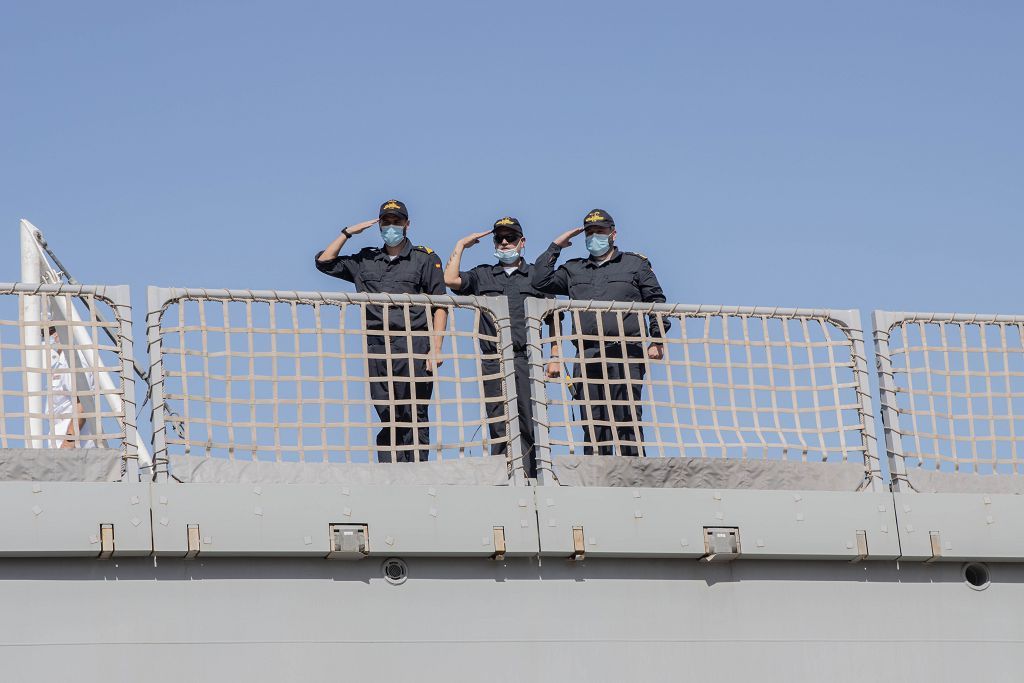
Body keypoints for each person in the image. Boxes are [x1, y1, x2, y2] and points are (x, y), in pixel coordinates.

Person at [315, 199, 447, 462]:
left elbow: (440, 305)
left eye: (396, 222)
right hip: (378, 344)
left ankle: (417, 471)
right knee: (387, 411)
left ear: (407, 224)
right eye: (386, 222)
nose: (391, 227)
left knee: (415, 409)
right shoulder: (366, 259)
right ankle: (391, 470)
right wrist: (347, 233)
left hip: (415, 343)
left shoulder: (425, 258)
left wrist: (436, 347)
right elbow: (324, 262)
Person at [532, 209, 669, 457]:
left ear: (613, 234)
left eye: (600, 231)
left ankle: (633, 476)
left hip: (625, 352)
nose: (595, 236)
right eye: (590, 232)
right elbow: (539, 281)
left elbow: (656, 301)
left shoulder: (635, 264)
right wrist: (556, 246)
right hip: (588, 355)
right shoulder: (573, 270)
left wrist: (657, 339)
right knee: (593, 421)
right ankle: (597, 480)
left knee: (627, 417)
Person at [444, 216, 561, 477]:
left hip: (527, 358)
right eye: (500, 238)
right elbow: (451, 281)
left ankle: (533, 476)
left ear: (522, 241)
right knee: (499, 421)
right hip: (494, 359)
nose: (505, 243)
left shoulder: (537, 277)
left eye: (510, 238)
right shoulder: (484, 274)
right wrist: (461, 244)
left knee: (531, 420)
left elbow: (554, 318)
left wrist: (555, 356)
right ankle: (506, 478)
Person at [45, 325, 96, 449]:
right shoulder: (60, 363)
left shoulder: (72, 359)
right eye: (45, 333)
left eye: (53, 330)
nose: (51, 336)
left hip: (75, 445)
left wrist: (69, 442)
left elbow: (83, 403)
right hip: (63, 440)